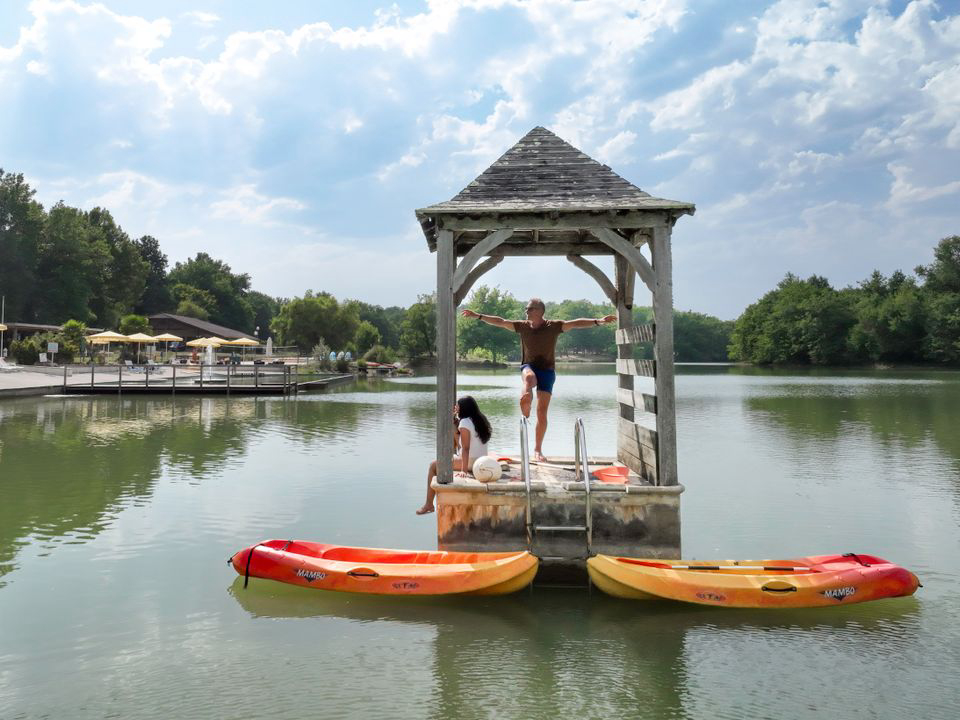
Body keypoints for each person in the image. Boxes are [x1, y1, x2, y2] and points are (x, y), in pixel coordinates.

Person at [461, 298, 615, 461]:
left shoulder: (553, 326)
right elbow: (500, 322)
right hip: (528, 366)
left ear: (540, 311)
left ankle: (537, 450)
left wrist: (598, 321)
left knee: (542, 412)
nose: (526, 311)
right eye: (526, 309)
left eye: (529, 309)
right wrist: (478, 316)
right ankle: (525, 400)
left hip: (547, 371)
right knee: (529, 378)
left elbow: (576, 323)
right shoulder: (522, 326)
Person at [416, 395, 492, 515]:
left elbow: (465, 449)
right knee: (446, 459)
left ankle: (429, 504)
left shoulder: (465, 422)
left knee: (433, 466)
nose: (455, 407)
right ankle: (429, 504)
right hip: (480, 460)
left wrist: (464, 471)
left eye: (457, 405)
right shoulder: (480, 419)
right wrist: (455, 427)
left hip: (471, 462)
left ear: (463, 408)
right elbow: (462, 445)